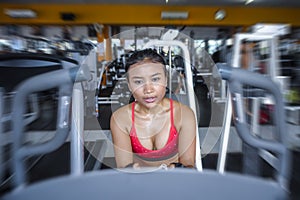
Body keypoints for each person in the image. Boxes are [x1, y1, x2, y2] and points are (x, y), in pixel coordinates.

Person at [110, 48, 196, 169]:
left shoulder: (184, 114)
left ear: (166, 80)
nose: (148, 90)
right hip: (137, 182)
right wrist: (132, 171)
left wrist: (178, 169)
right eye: (138, 82)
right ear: (129, 85)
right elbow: (124, 166)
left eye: (155, 79)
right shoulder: (120, 118)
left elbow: (188, 162)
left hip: (175, 179)